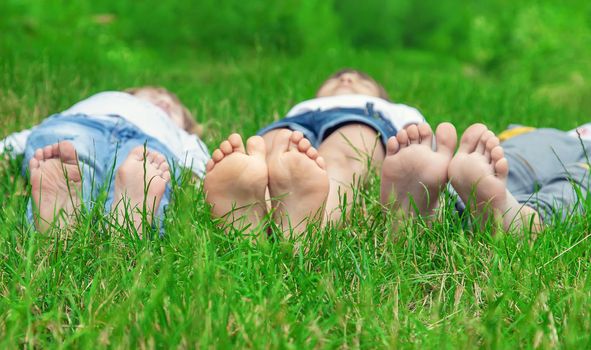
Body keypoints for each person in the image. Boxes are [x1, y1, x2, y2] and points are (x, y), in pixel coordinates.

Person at [203, 68, 425, 236]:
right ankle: (256, 212)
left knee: (343, 155)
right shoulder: (303, 106)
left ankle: (310, 224)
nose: (346, 79)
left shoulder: (393, 109)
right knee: (274, 147)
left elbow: (419, 140)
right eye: (336, 78)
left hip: (361, 118)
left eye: (362, 81)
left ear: (381, 96)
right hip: (296, 122)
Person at [0, 87, 209, 236]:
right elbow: (29, 134)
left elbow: (196, 156)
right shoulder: (106, 100)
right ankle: (67, 212)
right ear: (129, 93)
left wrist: (199, 177)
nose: (164, 101)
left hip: (149, 140)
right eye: (155, 94)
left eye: (173, 107)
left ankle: (126, 219)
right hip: (83, 122)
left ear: (184, 125)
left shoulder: (179, 134)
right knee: (71, 153)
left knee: (145, 171)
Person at [381, 121, 591, 233]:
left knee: (578, 179)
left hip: (549, 141)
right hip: (557, 138)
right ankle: (439, 209)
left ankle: (521, 220)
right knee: (496, 165)